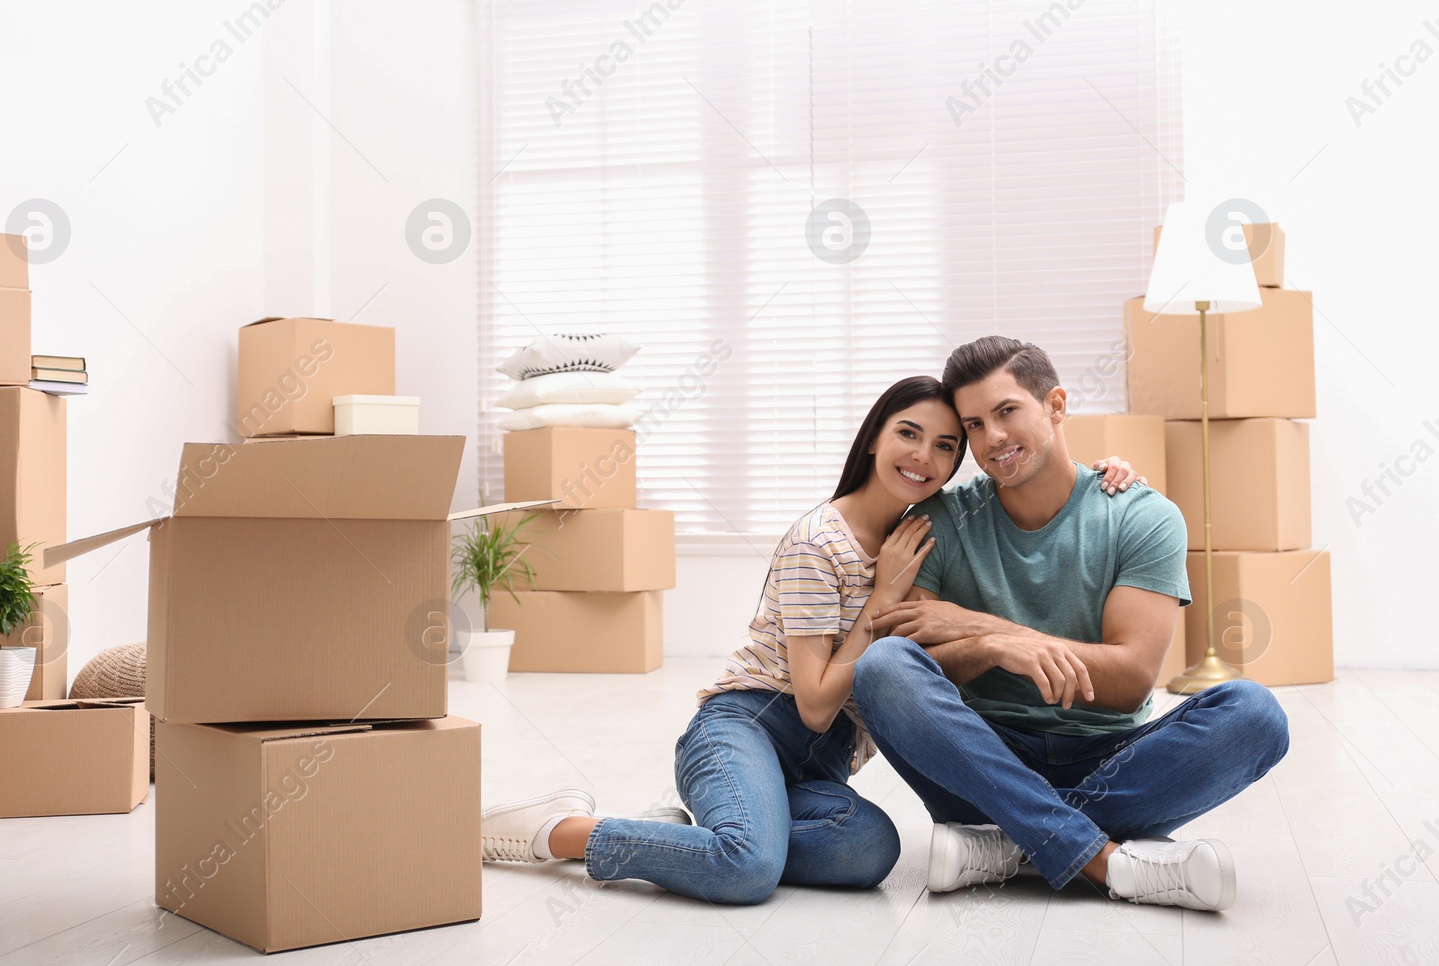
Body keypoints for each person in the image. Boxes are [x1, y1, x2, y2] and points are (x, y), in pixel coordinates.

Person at [478, 375, 1145, 905]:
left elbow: (1033, 482)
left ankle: (695, 833)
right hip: (747, 727)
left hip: (821, 768)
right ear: (874, 437)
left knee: (870, 851)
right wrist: (881, 599)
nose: (924, 456)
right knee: (748, 870)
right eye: (908, 433)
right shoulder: (817, 543)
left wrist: (1106, 475)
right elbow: (817, 705)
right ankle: (555, 831)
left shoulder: (925, 539)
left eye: (946, 445)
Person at [851, 336, 1291, 913]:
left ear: (1054, 406)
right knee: (882, 665)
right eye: (974, 425)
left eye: (1007, 412)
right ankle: (1101, 857)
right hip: (982, 761)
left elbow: (1130, 679)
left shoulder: (1142, 516)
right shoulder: (940, 521)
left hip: (1111, 759)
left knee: (1255, 715)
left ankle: (1011, 844)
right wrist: (993, 651)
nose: (992, 440)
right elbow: (916, 663)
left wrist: (992, 632)